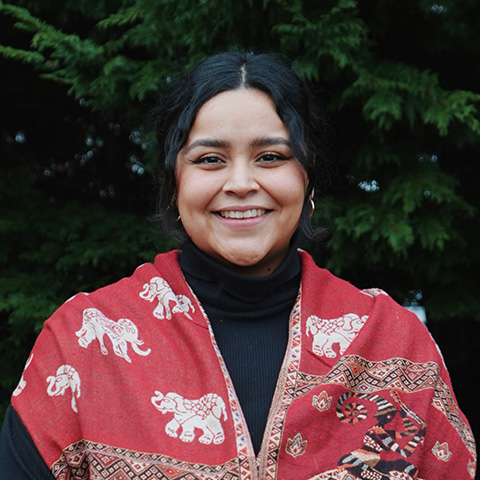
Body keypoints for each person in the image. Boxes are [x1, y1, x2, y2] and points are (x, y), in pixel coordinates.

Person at [0, 51, 476, 480]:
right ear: (173, 185)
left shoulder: (394, 340)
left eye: (271, 157)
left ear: (308, 181)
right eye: (210, 159)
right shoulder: (83, 343)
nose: (242, 182)